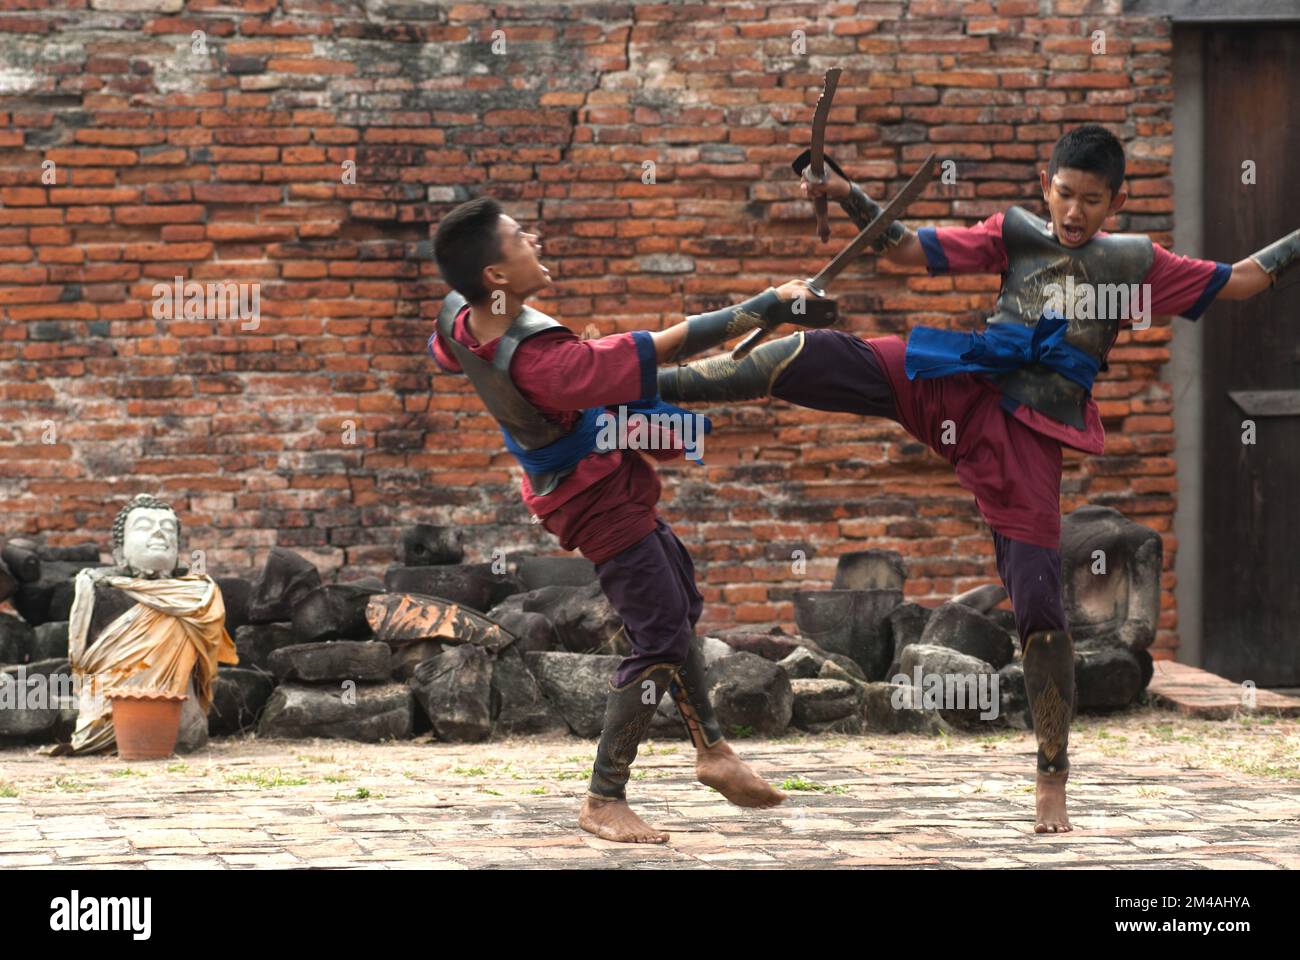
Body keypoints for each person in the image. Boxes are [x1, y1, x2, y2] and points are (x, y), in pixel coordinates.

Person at [658, 124, 1297, 833]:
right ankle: (650, 379)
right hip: (961, 380)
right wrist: (844, 191)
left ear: (1114, 203)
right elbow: (904, 250)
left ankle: (1051, 776)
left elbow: (1241, 280)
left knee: (1041, 615)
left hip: (1030, 432)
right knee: (814, 353)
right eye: (1064, 194)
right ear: (1044, 185)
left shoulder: (1135, 263)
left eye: (1091, 200)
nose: (1074, 211)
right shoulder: (1016, 232)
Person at [429, 197, 837, 843]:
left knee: (676, 602)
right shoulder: (546, 359)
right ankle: (604, 797)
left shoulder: (461, 316)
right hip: (593, 498)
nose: (532, 237)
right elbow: (661, 345)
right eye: (517, 236)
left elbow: (449, 353)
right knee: (659, 638)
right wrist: (764, 306)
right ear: (496, 276)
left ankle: (714, 752)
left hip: (592, 477)